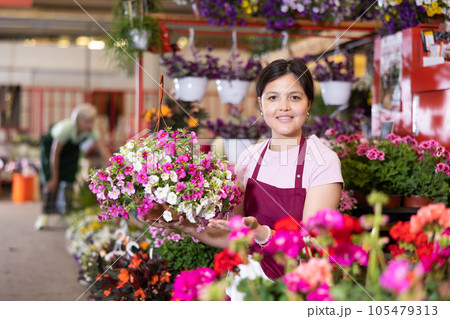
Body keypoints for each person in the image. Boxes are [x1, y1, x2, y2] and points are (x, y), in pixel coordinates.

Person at [140, 59, 343, 298]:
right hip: (245, 287)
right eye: (273, 97)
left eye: (295, 97)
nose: (284, 107)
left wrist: (261, 233)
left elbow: (314, 246)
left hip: (295, 292)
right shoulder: (249, 158)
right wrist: (182, 224)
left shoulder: (323, 160)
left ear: (308, 104)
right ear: (260, 104)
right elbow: (233, 238)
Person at [34, 103, 111, 230]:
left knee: (69, 178)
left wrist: (116, 166)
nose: (90, 125)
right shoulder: (66, 128)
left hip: (71, 151)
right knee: (51, 182)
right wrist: (54, 177)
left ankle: (67, 214)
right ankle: (44, 215)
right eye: (87, 121)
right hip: (52, 151)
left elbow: (103, 149)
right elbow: (55, 154)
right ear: (78, 120)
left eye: (92, 121)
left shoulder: (92, 130)